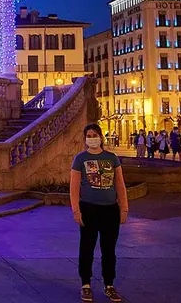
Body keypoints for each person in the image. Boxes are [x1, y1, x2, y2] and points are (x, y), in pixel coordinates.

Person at [70, 123, 128, 303]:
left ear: (101, 137)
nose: (92, 138)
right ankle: (85, 284)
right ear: (85, 138)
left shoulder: (112, 158)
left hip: (110, 209)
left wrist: (124, 208)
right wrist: (76, 210)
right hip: (88, 208)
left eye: (95, 135)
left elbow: (120, 184)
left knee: (109, 249)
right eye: (89, 135)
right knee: (86, 248)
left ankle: (109, 284)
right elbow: (73, 187)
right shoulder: (80, 159)